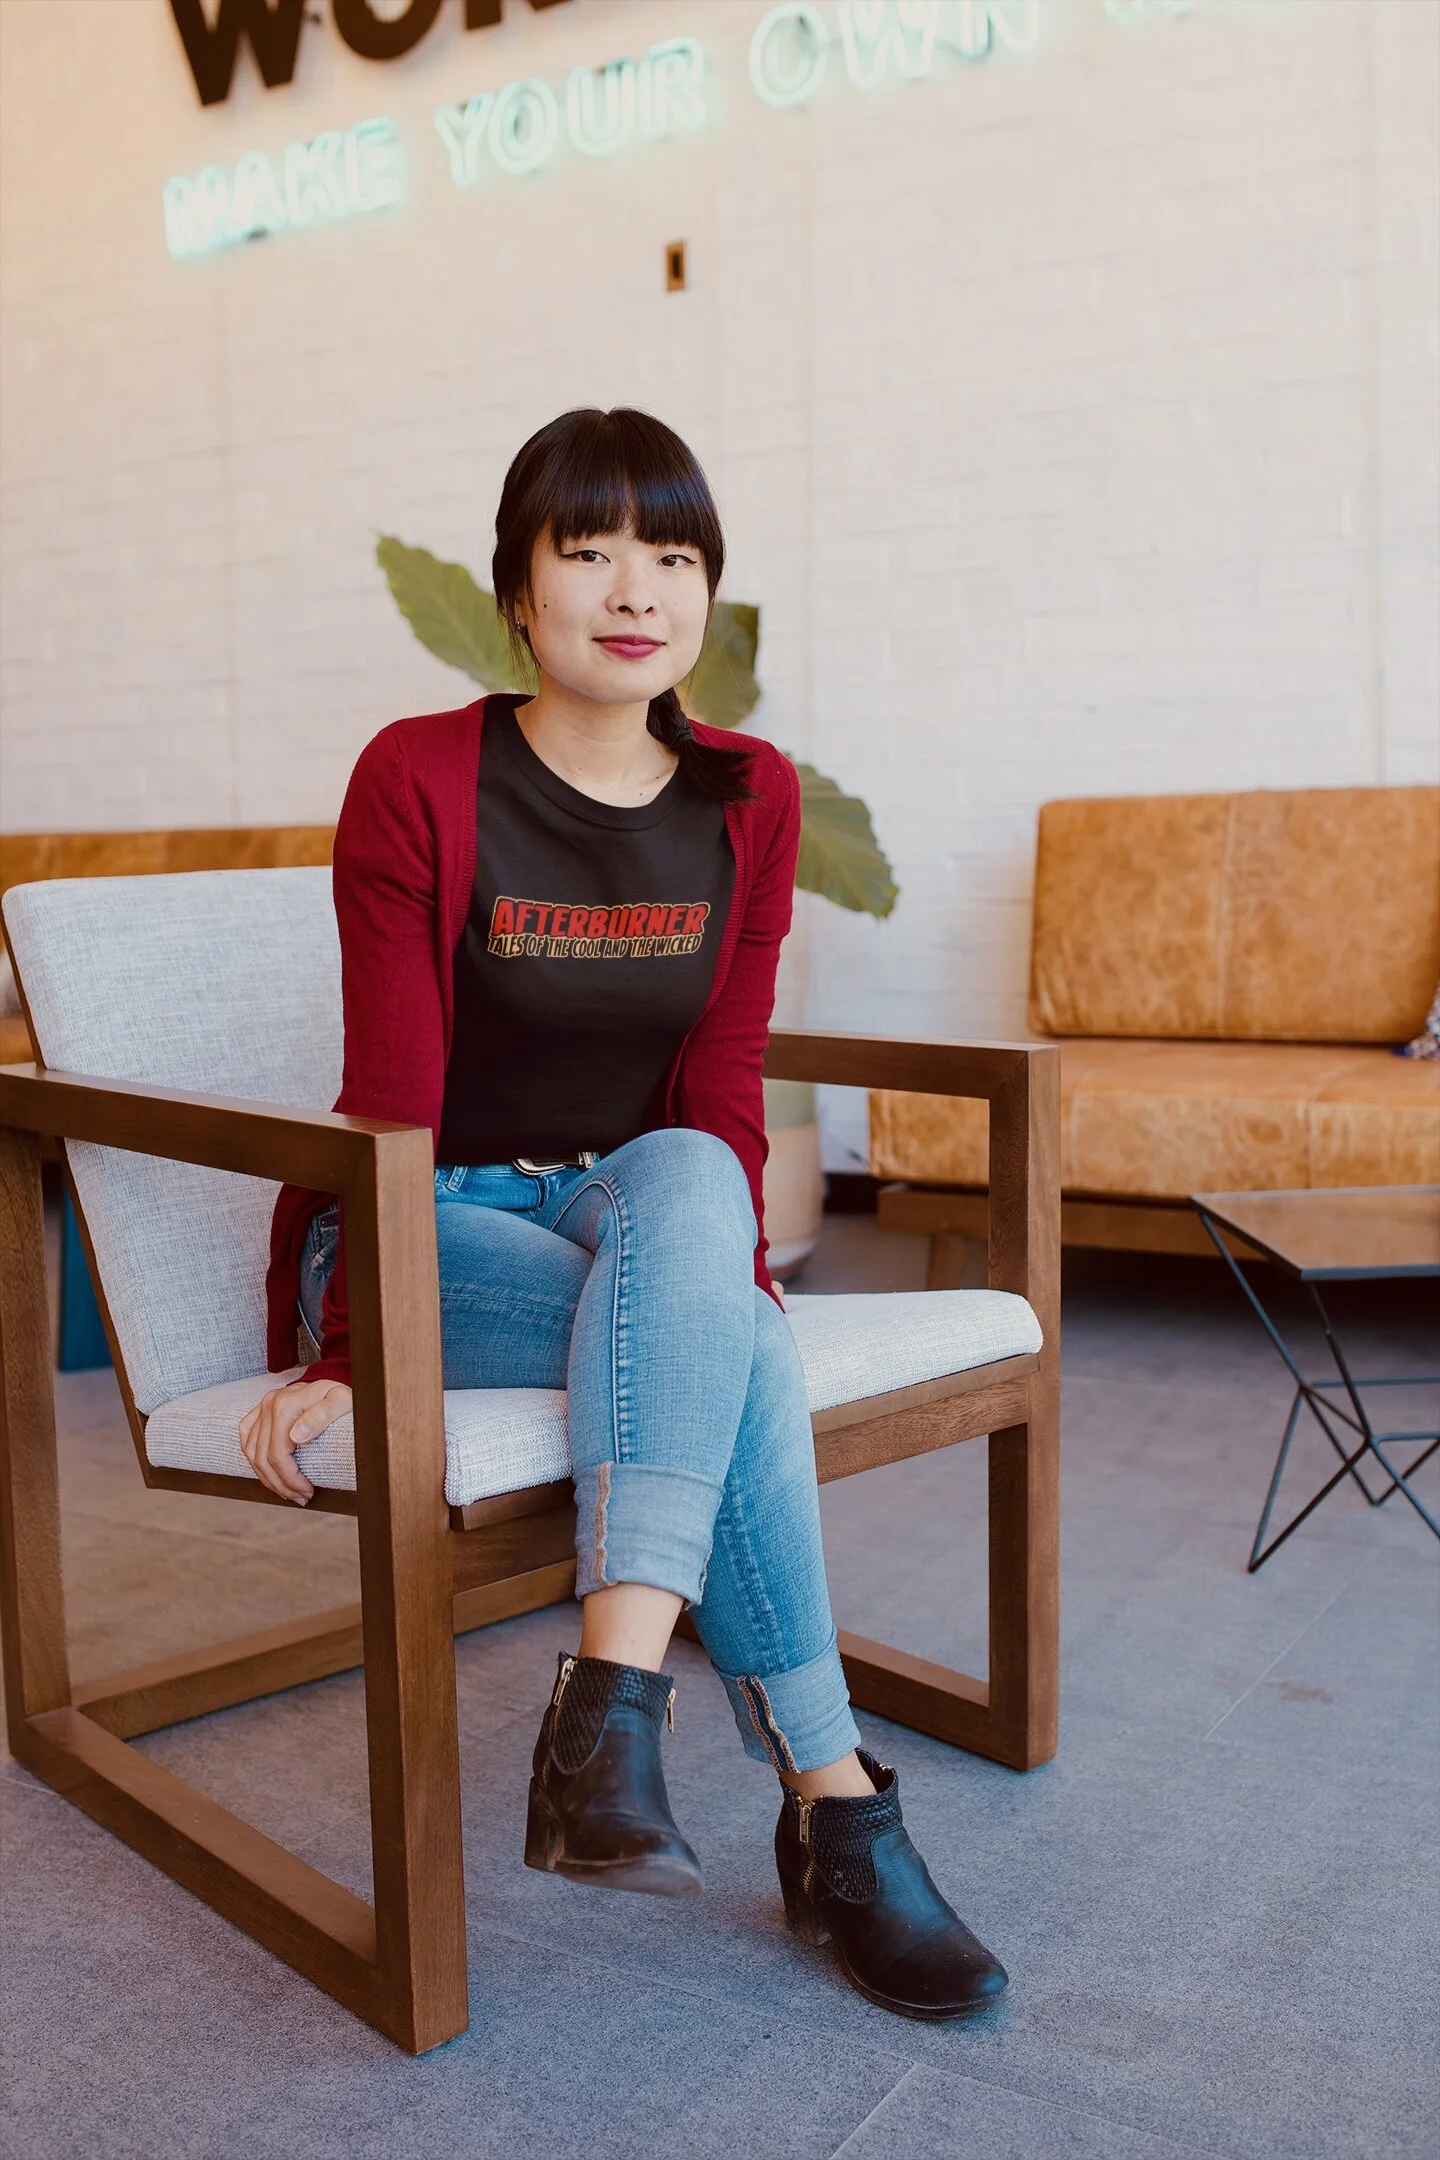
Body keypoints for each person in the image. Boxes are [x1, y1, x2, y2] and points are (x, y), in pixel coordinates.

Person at [243, 408, 1007, 2020]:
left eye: (672, 552)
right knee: (726, 1354)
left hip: (628, 1206)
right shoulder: (420, 777)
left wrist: (721, 1270)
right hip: (414, 1217)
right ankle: (838, 1809)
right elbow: (387, 1092)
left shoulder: (748, 797)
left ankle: (610, 1695)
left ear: (707, 592)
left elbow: (720, 1085)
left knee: (694, 1177)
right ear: (517, 591)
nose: (633, 587)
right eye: (587, 549)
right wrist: (346, 1339)